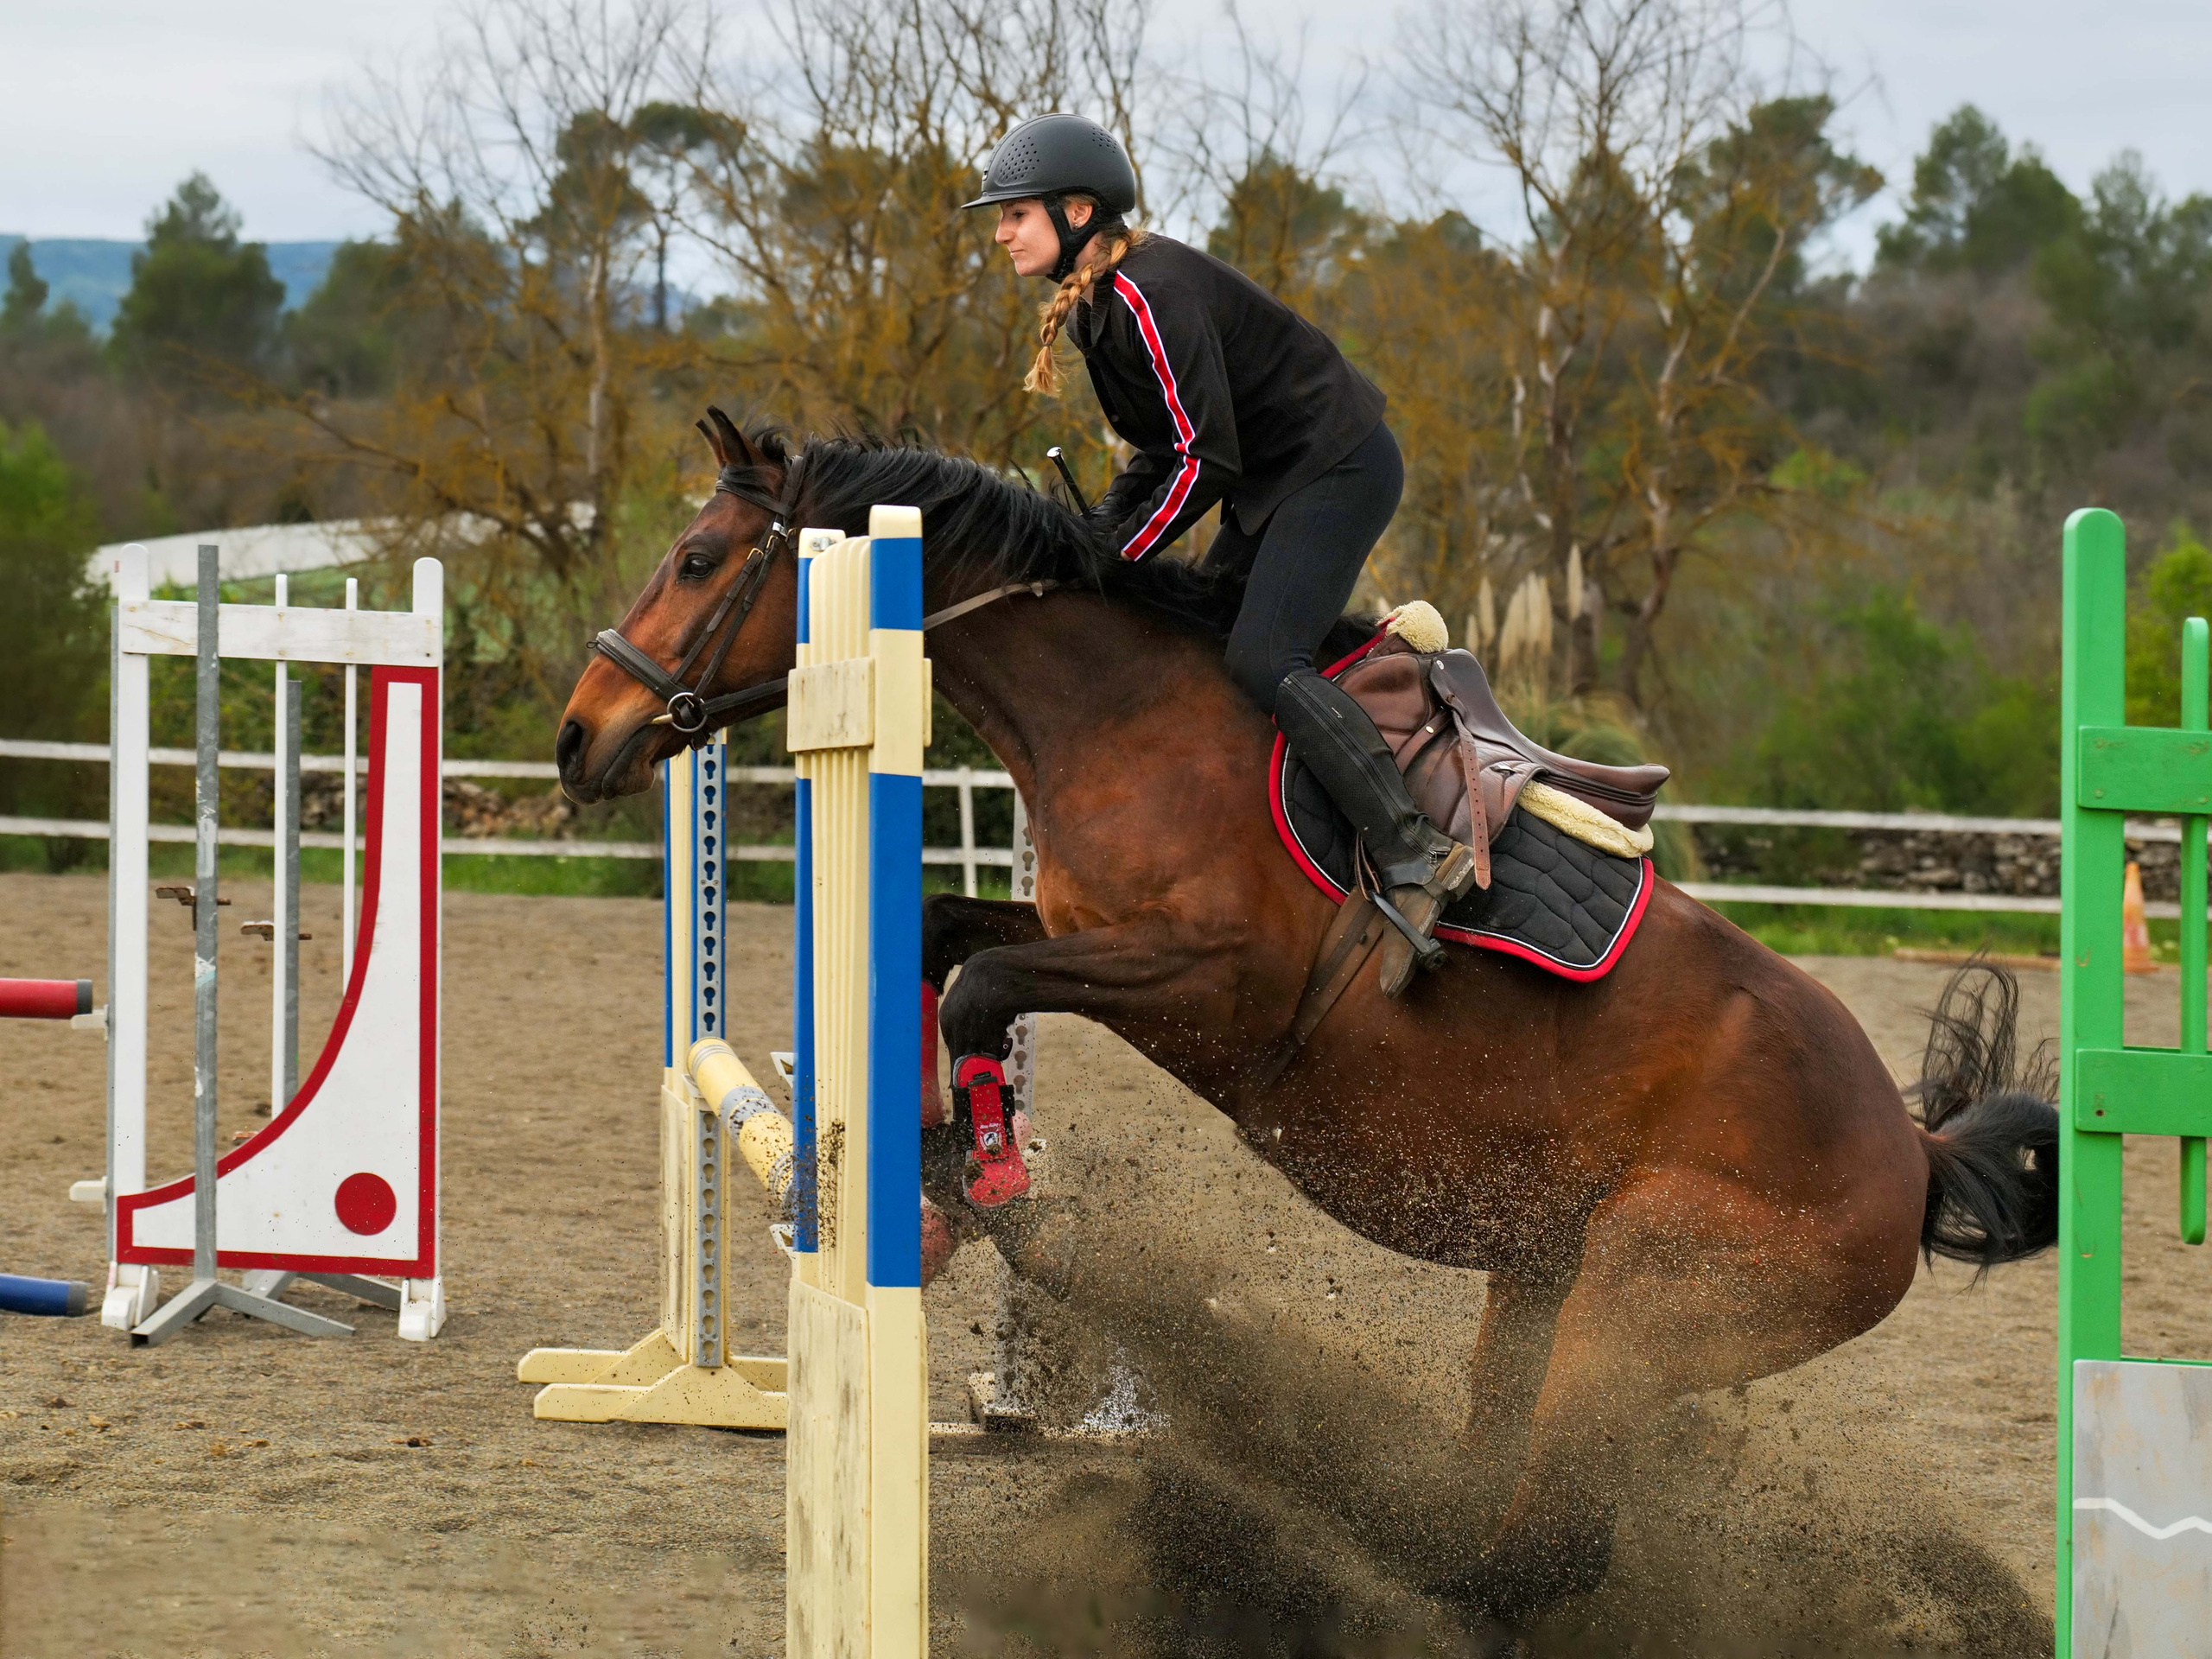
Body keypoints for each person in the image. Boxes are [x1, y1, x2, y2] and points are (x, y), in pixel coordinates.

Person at [964, 112, 1478, 997]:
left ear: (1078, 210)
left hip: (1338, 469)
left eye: (1014, 213)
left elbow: (1204, 457)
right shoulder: (1098, 309)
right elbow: (1157, 457)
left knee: (1261, 655)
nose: (1001, 231)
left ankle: (1413, 850)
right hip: (1277, 481)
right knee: (1205, 647)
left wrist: (1114, 555)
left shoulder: (1146, 295)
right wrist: (1089, 543)